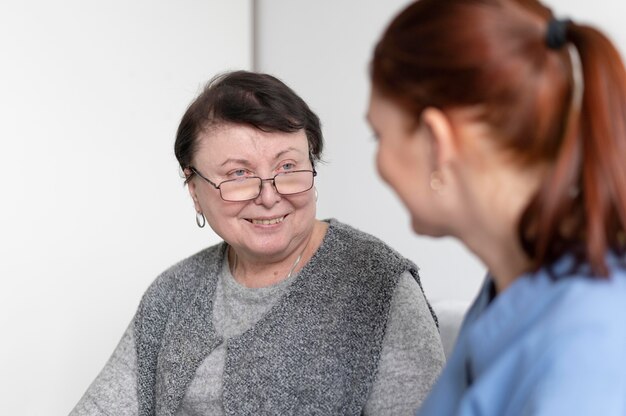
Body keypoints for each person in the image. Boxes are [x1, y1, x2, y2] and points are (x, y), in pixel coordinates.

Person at [70, 70, 444, 415]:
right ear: (194, 189)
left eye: (287, 167)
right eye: (239, 173)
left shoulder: (377, 286)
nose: (269, 196)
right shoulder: (172, 292)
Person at [367, 0, 626, 414]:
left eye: (378, 135)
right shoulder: (507, 291)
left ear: (437, 141)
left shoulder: (589, 351)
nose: (379, 163)